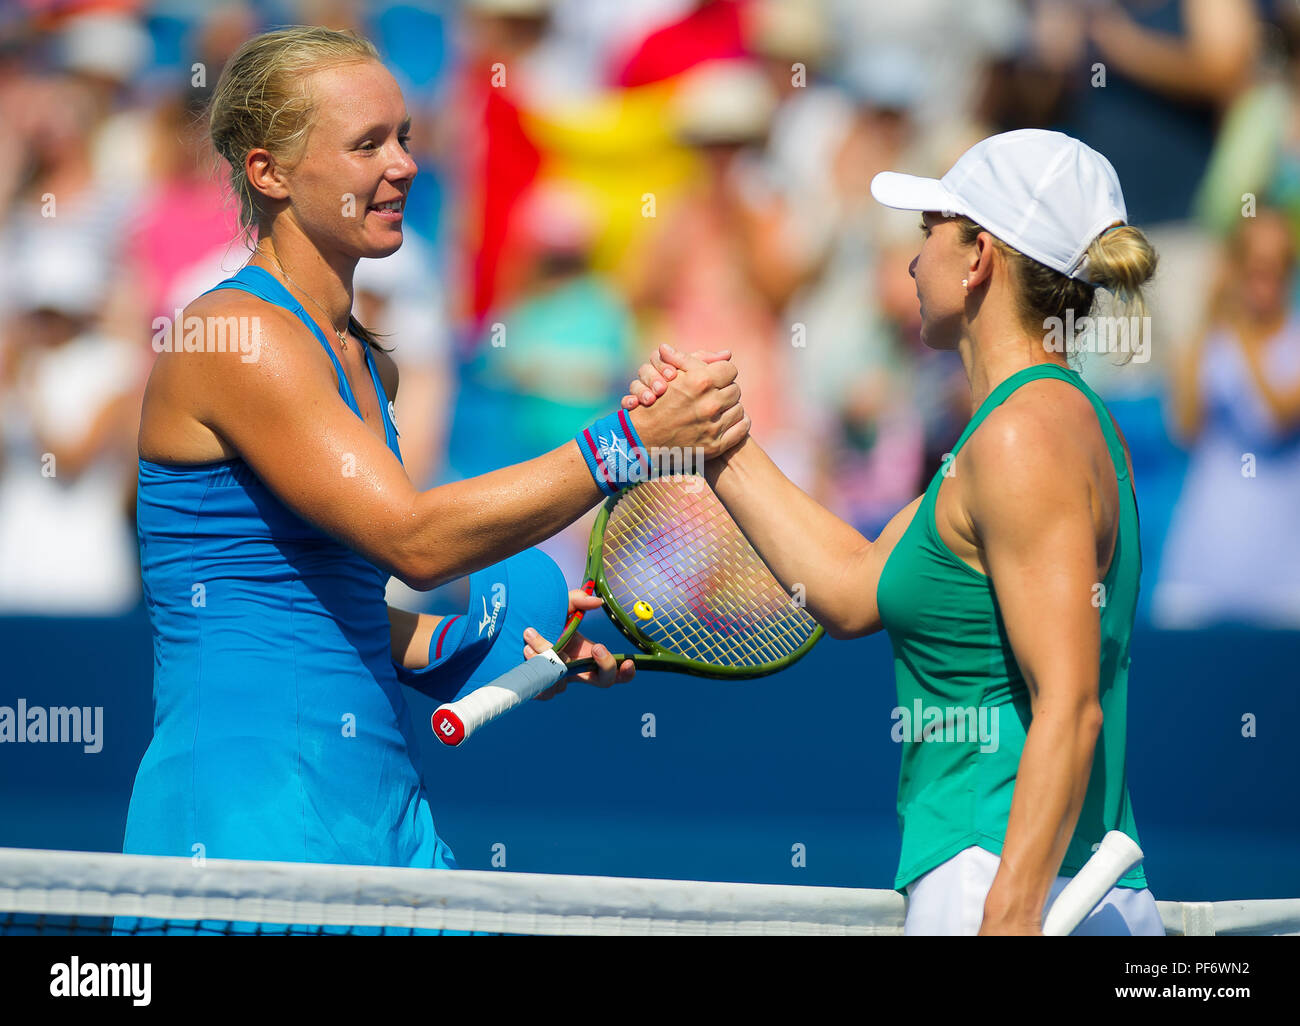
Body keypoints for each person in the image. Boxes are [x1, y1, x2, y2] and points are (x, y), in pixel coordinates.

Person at [123, 27, 746, 885]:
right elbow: (412, 541)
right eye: (366, 143)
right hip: (247, 822)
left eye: (405, 137)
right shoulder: (238, 339)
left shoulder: (366, 358)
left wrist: (496, 650)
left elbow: (342, 618)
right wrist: (632, 442)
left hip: (381, 817)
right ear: (267, 172)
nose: (405, 166)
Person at [627, 129, 1164, 935]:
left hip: (1009, 881)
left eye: (928, 235)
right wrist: (712, 440)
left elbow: (1072, 702)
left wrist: (1008, 915)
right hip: (1038, 878)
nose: (913, 263)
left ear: (979, 256)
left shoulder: (1024, 438)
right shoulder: (1034, 429)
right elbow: (849, 587)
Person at [1157, 209, 1300, 627]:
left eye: (1276, 268)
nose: (1265, 280)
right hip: (1204, 562)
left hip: (1283, 573)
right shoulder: (1211, 340)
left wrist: (1241, 334)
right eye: (1254, 267)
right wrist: (1211, 315)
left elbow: (1276, 420)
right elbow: (1184, 427)